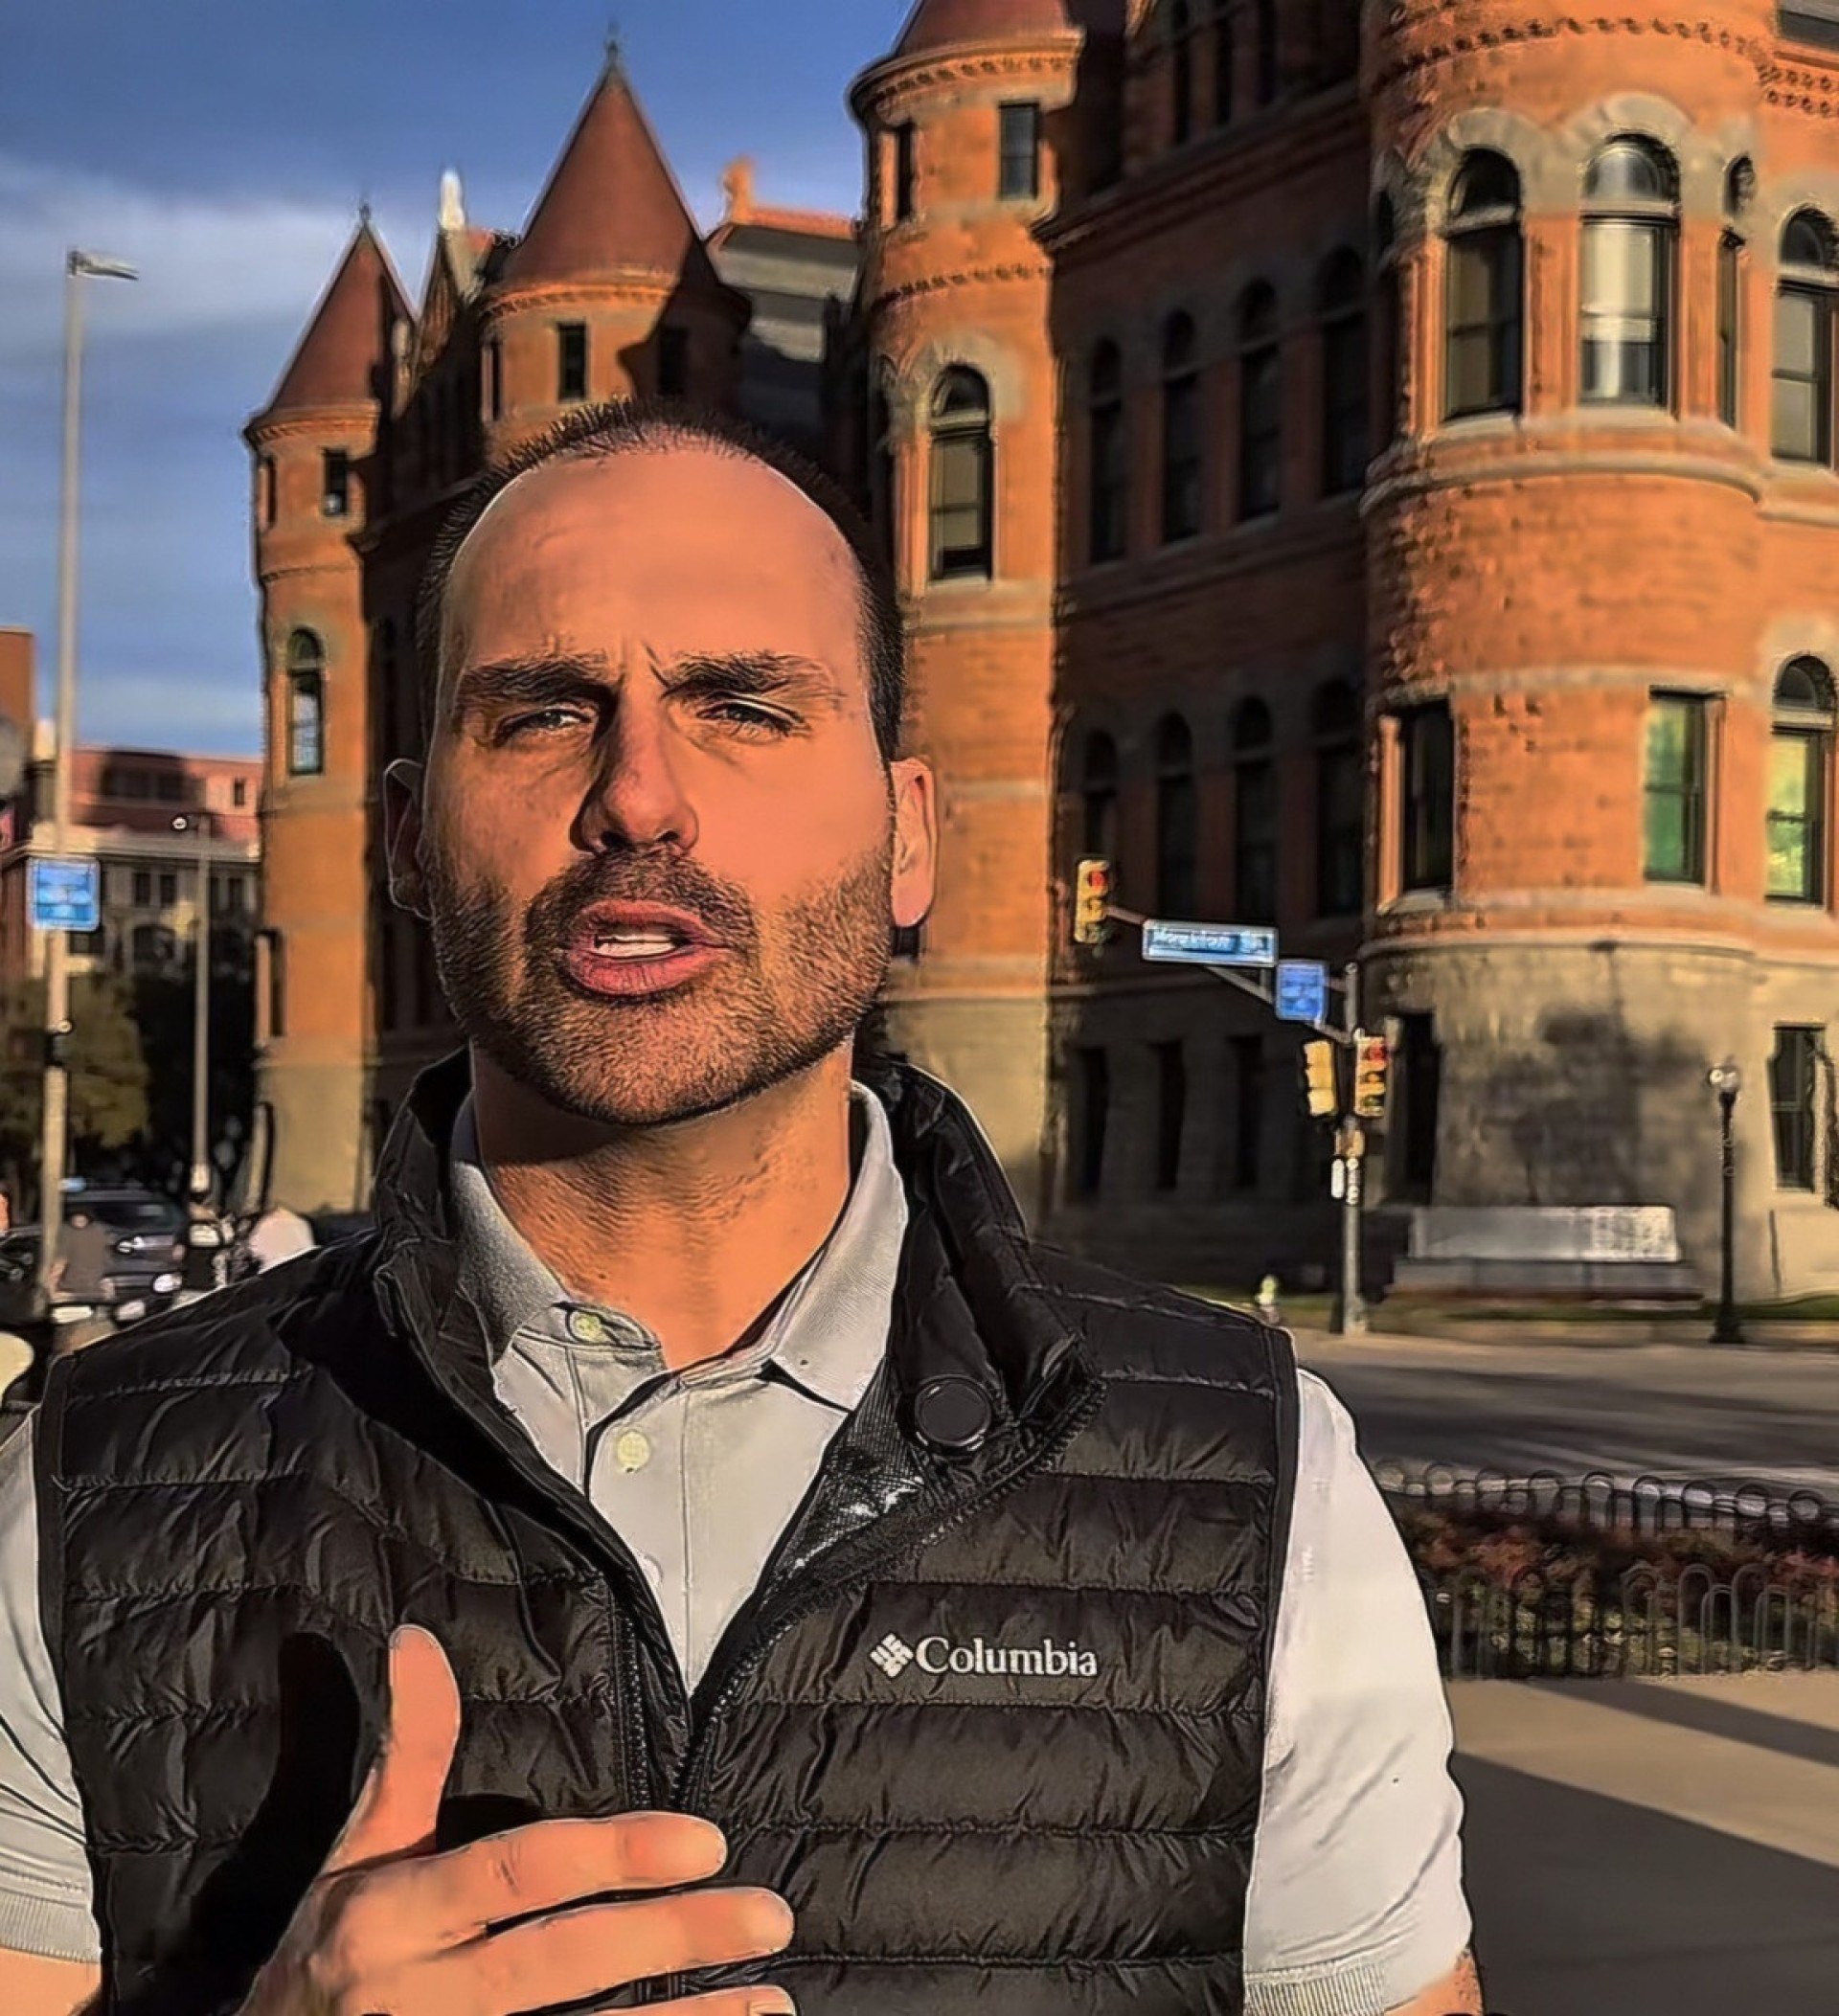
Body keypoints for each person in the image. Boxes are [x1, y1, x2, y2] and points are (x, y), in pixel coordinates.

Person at [0, 401, 1482, 2016]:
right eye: (543, 713)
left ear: (909, 836)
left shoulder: (1261, 1478)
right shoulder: (76, 1490)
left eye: (747, 708)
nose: (639, 796)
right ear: (410, 841)